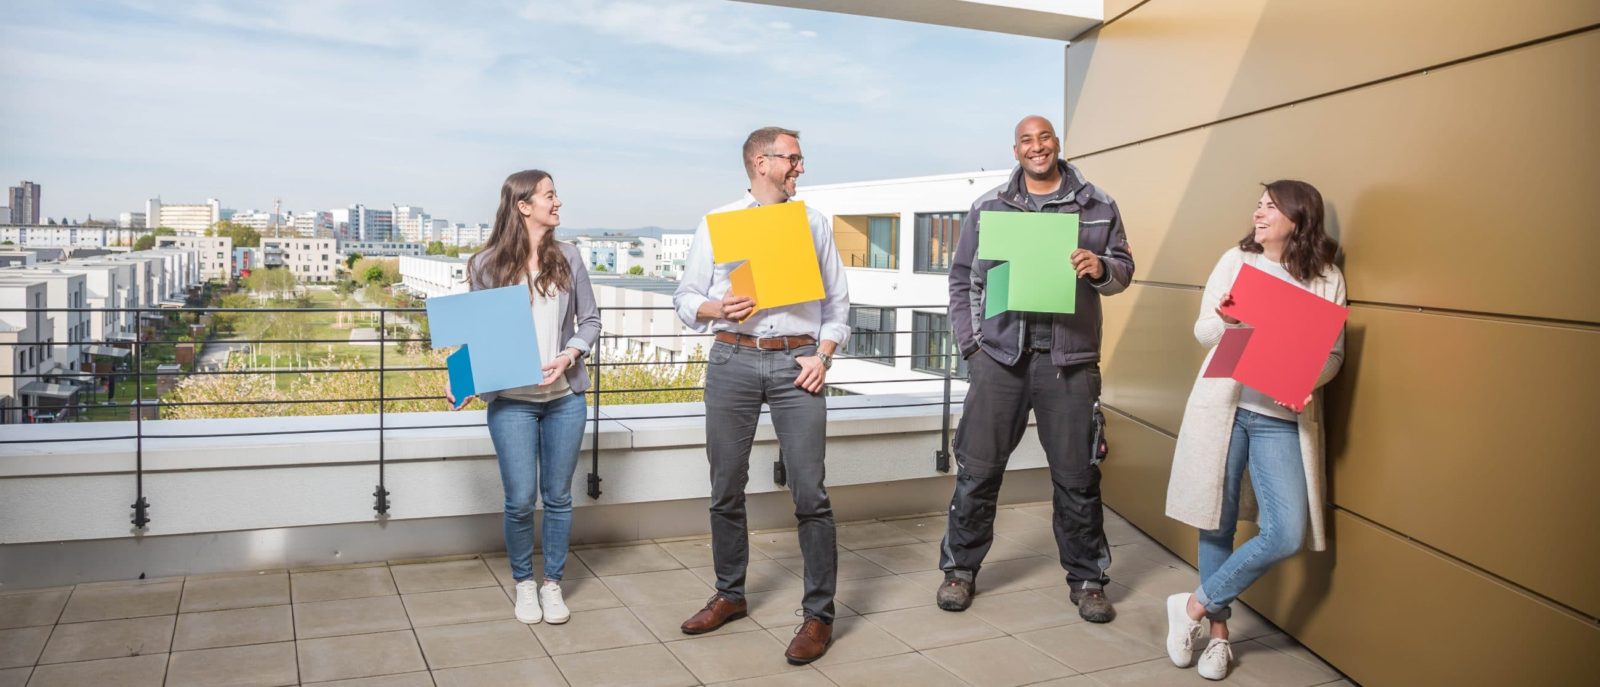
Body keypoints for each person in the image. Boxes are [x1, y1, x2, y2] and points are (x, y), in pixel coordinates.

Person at [937, 115, 1134, 621]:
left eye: (1044, 137)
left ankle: (1088, 580)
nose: (1037, 146)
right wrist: (972, 348)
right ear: (1016, 148)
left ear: (1056, 143)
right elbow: (963, 281)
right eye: (1027, 140)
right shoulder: (990, 207)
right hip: (1000, 361)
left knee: (1077, 477)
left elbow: (1124, 270)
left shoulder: (1097, 203)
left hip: (1069, 363)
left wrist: (1101, 269)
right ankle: (959, 572)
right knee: (977, 474)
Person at [672, 126, 850, 665]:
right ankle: (730, 594)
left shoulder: (814, 223)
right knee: (725, 485)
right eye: (793, 158)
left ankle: (818, 615)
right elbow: (685, 297)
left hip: (798, 364)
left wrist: (822, 357)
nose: (800, 166)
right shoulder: (719, 223)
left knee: (810, 493)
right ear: (760, 161)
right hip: (732, 358)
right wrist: (715, 309)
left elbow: (839, 306)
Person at [1163, 180, 1345, 680]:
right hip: (1225, 407)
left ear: (1298, 217)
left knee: (1286, 532)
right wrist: (1224, 318)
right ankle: (1219, 638)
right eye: (1259, 205)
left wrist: (1307, 379)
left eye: (1271, 206)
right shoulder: (1236, 260)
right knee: (1216, 522)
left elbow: (1332, 356)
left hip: (1281, 419)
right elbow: (1204, 332)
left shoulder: (1326, 276)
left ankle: (1194, 606)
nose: (1259, 213)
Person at [447, 169, 600, 626]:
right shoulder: (485, 265)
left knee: (557, 497)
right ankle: (524, 584)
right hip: (510, 402)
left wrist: (570, 354)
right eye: (550, 195)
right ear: (523, 205)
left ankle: (552, 583)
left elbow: (590, 321)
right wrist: (460, 378)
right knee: (518, 500)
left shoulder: (569, 257)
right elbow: (473, 336)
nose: (558, 203)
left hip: (563, 399)